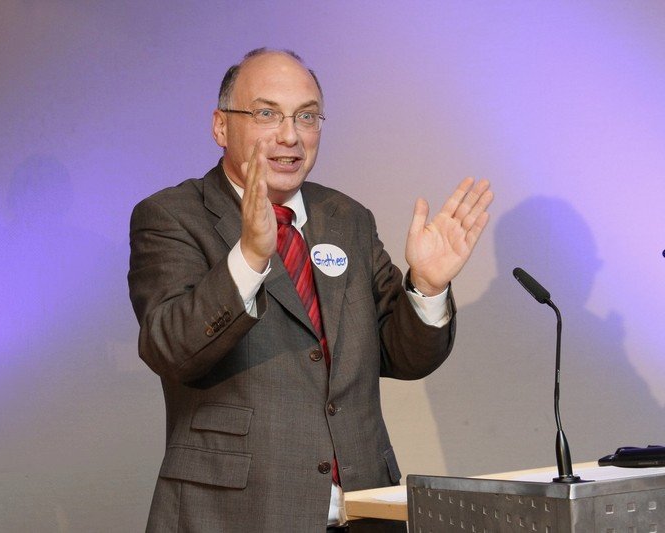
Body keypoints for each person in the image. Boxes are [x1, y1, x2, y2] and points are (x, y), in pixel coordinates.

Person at [128, 48, 493, 532]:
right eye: (266, 114)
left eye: (306, 116)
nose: (290, 135)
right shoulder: (172, 216)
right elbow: (171, 348)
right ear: (221, 126)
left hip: (364, 511)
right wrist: (250, 258)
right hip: (235, 515)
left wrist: (426, 285)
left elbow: (402, 356)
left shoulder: (346, 218)